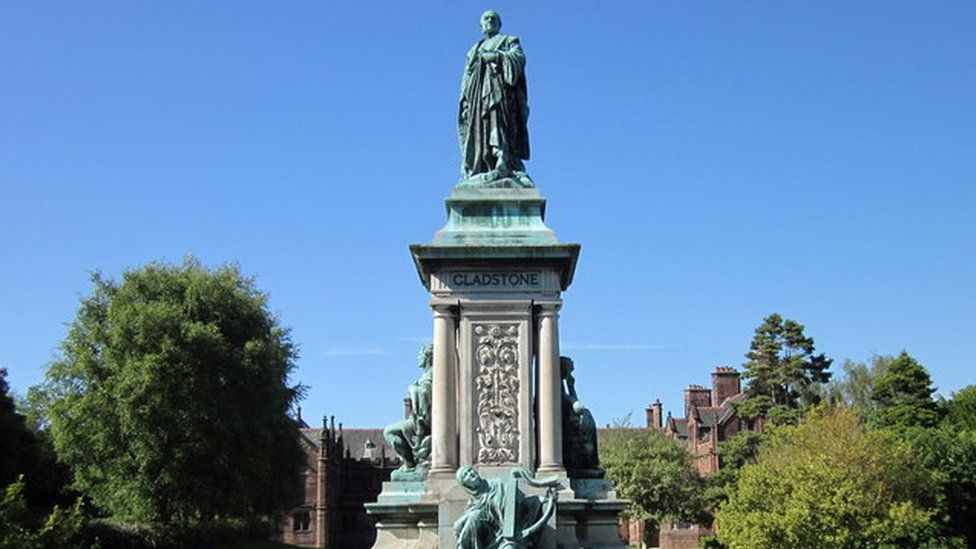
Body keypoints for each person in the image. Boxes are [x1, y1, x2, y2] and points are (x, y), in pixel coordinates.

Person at [458, 11, 532, 187]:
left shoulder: (509, 40)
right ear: (481, 24)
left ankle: (504, 160)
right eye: (486, 18)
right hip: (478, 99)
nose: (489, 21)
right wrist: (466, 102)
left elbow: (519, 58)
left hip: (501, 93)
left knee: (500, 125)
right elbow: (466, 77)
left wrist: (498, 56)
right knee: (480, 131)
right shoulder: (473, 50)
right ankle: (483, 166)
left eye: (493, 18)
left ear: (500, 24)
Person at [453, 466, 559, 548]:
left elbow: (520, 500)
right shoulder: (472, 504)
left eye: (470, 471)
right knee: (473, 517)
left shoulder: (497, 484)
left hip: (508, 537)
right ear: (465, 485)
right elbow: (458, 527)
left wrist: (544, 500)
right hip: (487, 538)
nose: (471, 474)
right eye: (466, 474)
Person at [383, 344, 433, 480]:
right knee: (389, 431)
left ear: (428, 357)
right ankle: (409, 464)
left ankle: (410, 464)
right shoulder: (427, 374)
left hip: (423, 419)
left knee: (389, 431)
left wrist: (412, 389)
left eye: (420, 354)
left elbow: (424, 394)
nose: (418, 357)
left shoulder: (431, 375)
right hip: (417, 417)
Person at [560, 357, 604, 478]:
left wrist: (571, 387)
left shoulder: (561, 385)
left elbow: (574, 405)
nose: (570, 374)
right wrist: (573, 400)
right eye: (569, 371)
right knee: (584, 415)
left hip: (567, 421)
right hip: (563, 425)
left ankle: (588, 461)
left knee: (585, 415)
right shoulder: (552, 383)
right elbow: (574, 405)